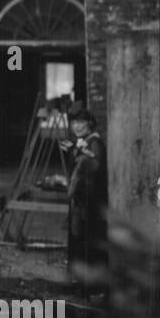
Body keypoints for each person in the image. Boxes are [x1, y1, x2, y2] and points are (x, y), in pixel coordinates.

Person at [60, 107, 108, 286]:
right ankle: (80, 282)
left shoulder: (95, 143)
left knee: (88, 241)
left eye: (81, 122)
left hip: (91, 202)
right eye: (74, 123)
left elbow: (94, 169)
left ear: (90, 123)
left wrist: (80, 152)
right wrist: (74, 149)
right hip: (81, 202)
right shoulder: (83, 142)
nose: (77, 126)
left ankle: (90, 286)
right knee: (79, 239)